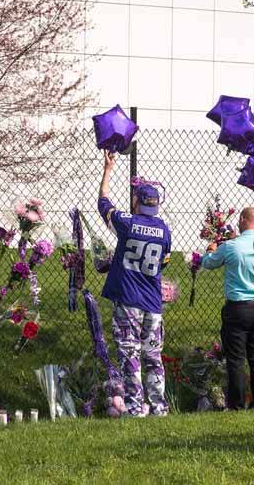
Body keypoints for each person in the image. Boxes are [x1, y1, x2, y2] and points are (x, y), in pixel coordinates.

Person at [98, 150, 172, 417]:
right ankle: (159, 407)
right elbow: (163, 261)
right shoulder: (164, 230)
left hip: (129, 302)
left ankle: (134, 407)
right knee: (153, 356)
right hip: (153, 303)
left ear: (136, 201)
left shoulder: (127, 223)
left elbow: (104, 204)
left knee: (130, 355)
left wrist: (108, 170)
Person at [201, 207, 254, 410]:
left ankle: (237, 404)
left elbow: (208, 263)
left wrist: (211, 249)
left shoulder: (230, 246)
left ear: (242, 220)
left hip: (238, 307)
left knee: (236, 358)